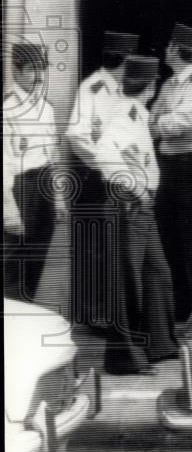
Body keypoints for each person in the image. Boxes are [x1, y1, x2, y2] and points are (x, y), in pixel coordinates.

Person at [94, 55, 177, 375]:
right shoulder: (122, 113)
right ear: (150, 86)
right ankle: (123, 359)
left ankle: (161, 345)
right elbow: (103, 153)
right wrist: (135, 187)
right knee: (126, 282)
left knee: (158, 273)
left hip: (140, 206)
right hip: (127, 203)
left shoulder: (138, 113)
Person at [65, 30, 139, 326]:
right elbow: (76, 134)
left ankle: (108, 314)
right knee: (94, 247)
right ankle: (93, 316)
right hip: (97, 177)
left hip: (116, 177)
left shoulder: (122, 89)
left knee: (112, 247)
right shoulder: (92, 88)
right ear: (123, 59)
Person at [150, 23, 192, 322]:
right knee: (167, 238)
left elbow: (179, 123)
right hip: (167, 166)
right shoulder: (168, 85)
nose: (165, 50)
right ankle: (177, 309)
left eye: (168, 46)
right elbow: (156, 119)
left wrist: (162, 124)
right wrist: (163, 123)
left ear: (178, 50)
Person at [3, 43, 65, 302]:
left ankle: (27, 313)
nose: (39, 76)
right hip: (18, 188)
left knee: (38, 254)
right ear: (15, 71)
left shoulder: (46, 107)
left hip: (44, 186)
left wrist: (59, 197)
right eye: (31, 70)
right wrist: (9, 210)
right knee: (12, 257)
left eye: (42, 69)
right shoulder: (7, 108)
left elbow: (52, 154)